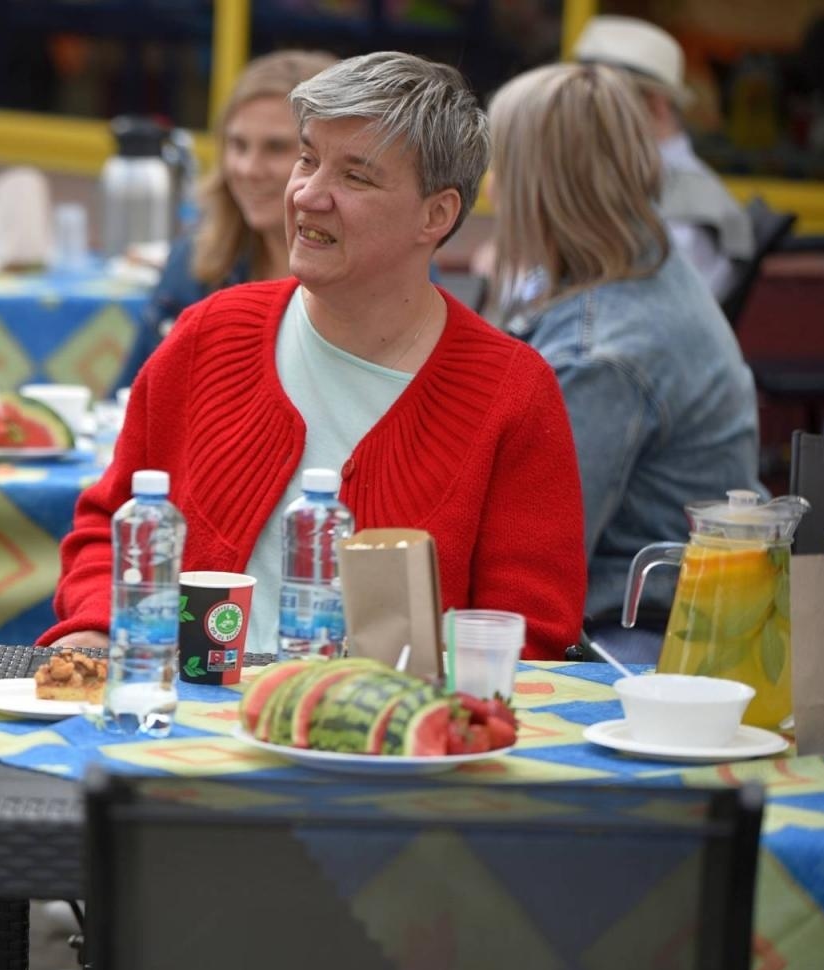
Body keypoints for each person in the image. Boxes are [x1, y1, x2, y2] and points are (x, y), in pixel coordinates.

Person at [44, 52, 587, 660]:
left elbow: (530, 634)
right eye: (307, 158)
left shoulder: (512, 392)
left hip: (386, 745)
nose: (308, 193)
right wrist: (95, 628)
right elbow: (106, 527)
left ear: (437, 215)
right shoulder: (209, 334)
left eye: (355, 176)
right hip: (180, 726)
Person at [487, 63, 763, 627]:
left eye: (497, 163)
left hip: (628, 640)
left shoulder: (603, 352)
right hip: (685, 616)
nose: (488, 185)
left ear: (534, 183)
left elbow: (532, 560)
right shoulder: (643, 264)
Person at [116, 49, 337, 388]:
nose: (248, 169)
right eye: (238, 145)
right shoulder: (192, 260)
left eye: (276, 148)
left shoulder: (386, 270)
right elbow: (131, 398)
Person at [572, 15, 753, 298]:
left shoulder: (687, 212)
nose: (578, 114)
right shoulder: (638, 184)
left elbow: (652, 319)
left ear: (656, 107)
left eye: (600, 101)